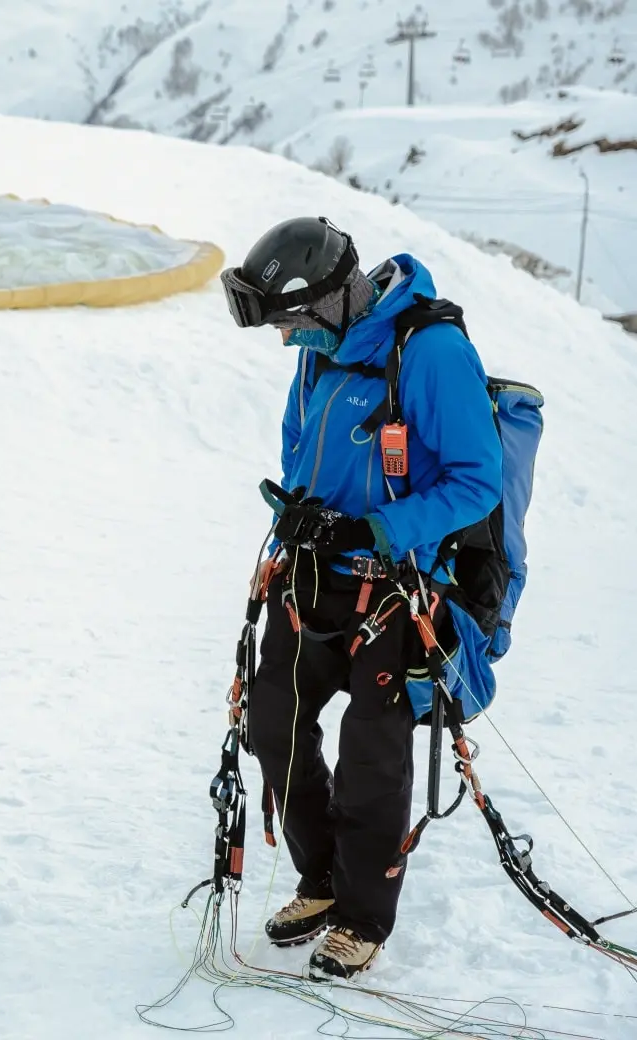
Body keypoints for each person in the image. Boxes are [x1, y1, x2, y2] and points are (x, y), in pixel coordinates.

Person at [218, 216, 503, 978]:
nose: (286, 341)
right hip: (311, 574)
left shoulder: (432, 352)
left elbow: (478, 481)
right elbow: (296, 445)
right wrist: (300, 519)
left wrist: (378, 528)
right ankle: (320, 881)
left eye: (294, 322)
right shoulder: (319, 349)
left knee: (373, 757)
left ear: (339, 298)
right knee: (271, 722)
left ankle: (362, 916)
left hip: (396, 587)